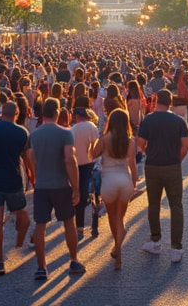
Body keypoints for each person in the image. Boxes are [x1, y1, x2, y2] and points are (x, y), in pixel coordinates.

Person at [28, 98, 85, 281]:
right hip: (60, 184)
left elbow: (29, 156)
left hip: (42, 185)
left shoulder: (34, 135)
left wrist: (35, 173)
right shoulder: (65, 133)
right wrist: (75, 186)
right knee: (69, 222)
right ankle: (74, 260)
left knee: (40, 226)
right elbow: (69, 159)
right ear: (58, 112)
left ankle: (41, 266)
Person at [0, 101, 35, 277]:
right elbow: (28, 158)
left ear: (1, 112)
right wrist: (34, 176)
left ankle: (0, 261)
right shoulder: (22, 132)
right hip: (13, 179)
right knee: (22, 213)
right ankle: (19, 244)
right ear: (16, 114)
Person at [136, 89, 188, 263]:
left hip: (153, 166)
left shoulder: (148, 119)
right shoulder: (178, 121)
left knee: (153, 204)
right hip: (172, 165)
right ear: (170, 102)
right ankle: (176, 247)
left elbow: (140, 144)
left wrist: (148, 152)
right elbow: (185, 144)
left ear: (156, 100)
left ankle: (156, 240)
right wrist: (177, 158)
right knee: (176, 205)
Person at [89, 109, 138, 270]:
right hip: (124, 179)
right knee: (120, 218)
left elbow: (92, 155)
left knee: (112, 217)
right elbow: (132, 164)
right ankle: (118, 248)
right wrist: (134, 183)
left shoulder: (104, 139)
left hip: (109, 180)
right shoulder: (130, 142)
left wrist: (92, 143)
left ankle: (118, 249)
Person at [70, 106, 99, 235]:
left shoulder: (72, 130)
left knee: (78, 192)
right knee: (91, 192)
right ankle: (94, 223)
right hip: (89, 163)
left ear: (76, 117)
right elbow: (95, 145)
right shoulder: (92, 127)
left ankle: (79, 224)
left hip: (76, 164)